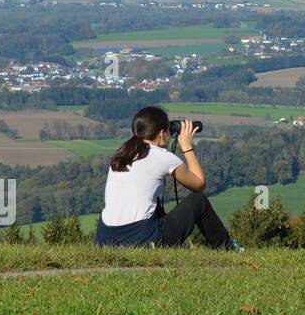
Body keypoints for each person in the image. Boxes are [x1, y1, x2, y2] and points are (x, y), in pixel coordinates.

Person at [95, 105, 241, 250]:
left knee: (153, 204)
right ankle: (228, 248)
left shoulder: (121, 155)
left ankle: (176, 246)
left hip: (105, 238)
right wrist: (186, 146)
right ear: (162, 133)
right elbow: (199, 184)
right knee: (198, 200)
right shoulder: (162, 157)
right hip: (141, 238)